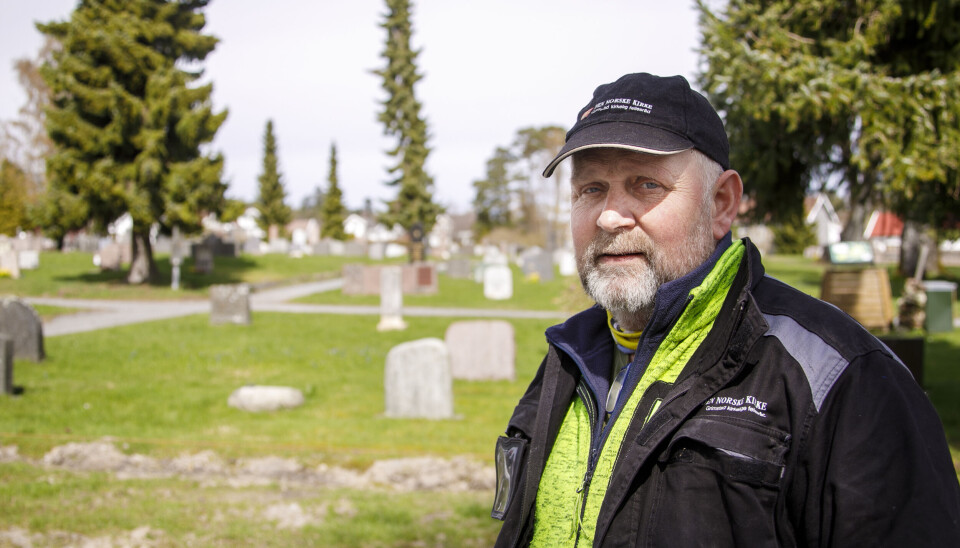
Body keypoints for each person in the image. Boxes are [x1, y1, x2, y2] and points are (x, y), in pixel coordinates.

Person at [491, 72, 960, 547]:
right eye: (590, 189)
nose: (610, 216)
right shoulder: (567, 359)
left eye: (647, 185)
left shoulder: (841, 378)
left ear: (721, 203)